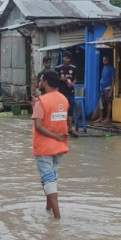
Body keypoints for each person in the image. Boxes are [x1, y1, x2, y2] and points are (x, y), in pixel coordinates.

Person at [31, 70, 69, 220]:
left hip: (45, 147)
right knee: (52, 177)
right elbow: (54, 119)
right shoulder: (63, 99)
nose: (39, 83)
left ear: (45, 82)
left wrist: (37, 105)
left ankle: (57, 217)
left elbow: (39, 126)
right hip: (59, 147)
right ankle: (48, 209)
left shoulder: (42, 101)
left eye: (40, 81)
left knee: (48, 179)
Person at [55, 51, 79, 138]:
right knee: (61, 110)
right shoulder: (58, 68)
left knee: (70, 110)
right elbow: (55, 80)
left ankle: (70, 128)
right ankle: (62, 128)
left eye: (68, 58)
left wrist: (73, 83)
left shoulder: (73, 68)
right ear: (63, 58)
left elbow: (76, 79)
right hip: (61, 93)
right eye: (65, 58)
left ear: (70, 59)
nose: (67, 60)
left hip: (70, 92)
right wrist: (61, 79)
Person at [98, 55, 116, 125]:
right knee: (100, 102)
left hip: (108, 88)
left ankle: (108, 118)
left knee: (108, 102)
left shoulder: (111, 68)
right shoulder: (104, 67)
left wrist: (111, 91)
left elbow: (113, 80)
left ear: (108, 61)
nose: (104, 61)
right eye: (103, 60)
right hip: (102, 87)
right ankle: (101, 117)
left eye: (105, 60)